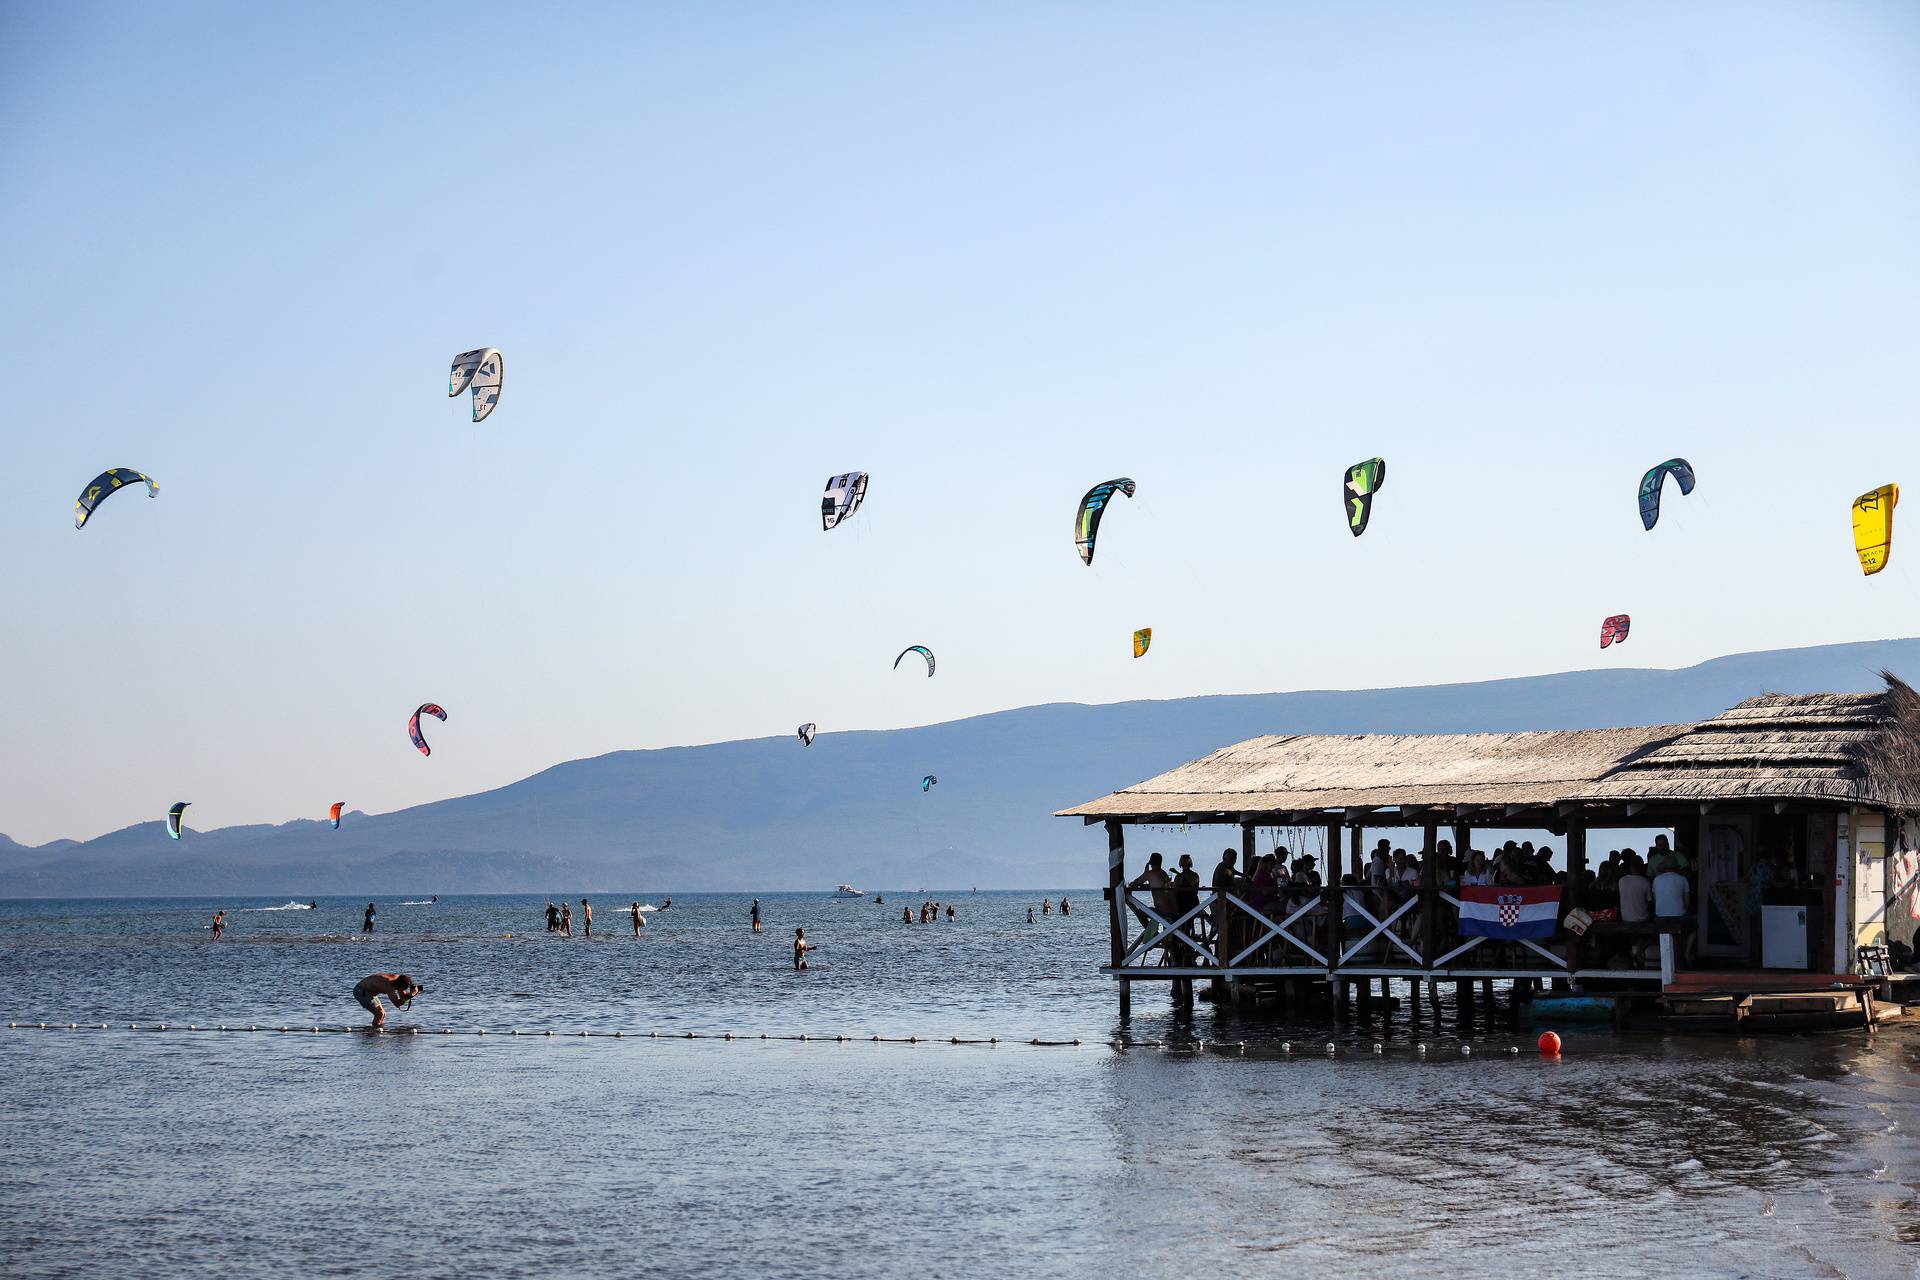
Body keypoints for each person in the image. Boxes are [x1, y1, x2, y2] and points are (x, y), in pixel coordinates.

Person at [352, 973, 423, 1030]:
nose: (403, 990)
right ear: (399, 986)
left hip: (370, 993)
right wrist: (411, 995)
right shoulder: (389, 985)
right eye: (402, 989)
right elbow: (397, 1004)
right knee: (379, 1014)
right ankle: (375, 1033)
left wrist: (412, 994)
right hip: (360, 991)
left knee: (383, 1014)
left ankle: (378, 1030)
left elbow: (402, 996)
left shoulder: (399, 980)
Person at [1618, 855, 1653, 924]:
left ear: (1630, 866)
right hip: (1643, 919)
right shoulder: (1645, 882)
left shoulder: (1621, 880)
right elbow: (1650, 901)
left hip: (1626, 918)